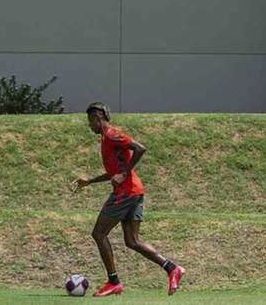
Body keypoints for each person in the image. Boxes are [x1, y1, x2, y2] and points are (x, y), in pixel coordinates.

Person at [73, 102, 185, 297]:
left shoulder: (111, 134)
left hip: (125, 193)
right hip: (135, 191)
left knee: (99, 234)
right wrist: (90, 181)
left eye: (90, 121)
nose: (89, 126)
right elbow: (113, 172)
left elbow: (140, 149)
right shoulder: (106, 139)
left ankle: (113, 282)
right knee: (132, 241)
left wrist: (124, 174)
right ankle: (171, 268)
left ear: (98, 119)